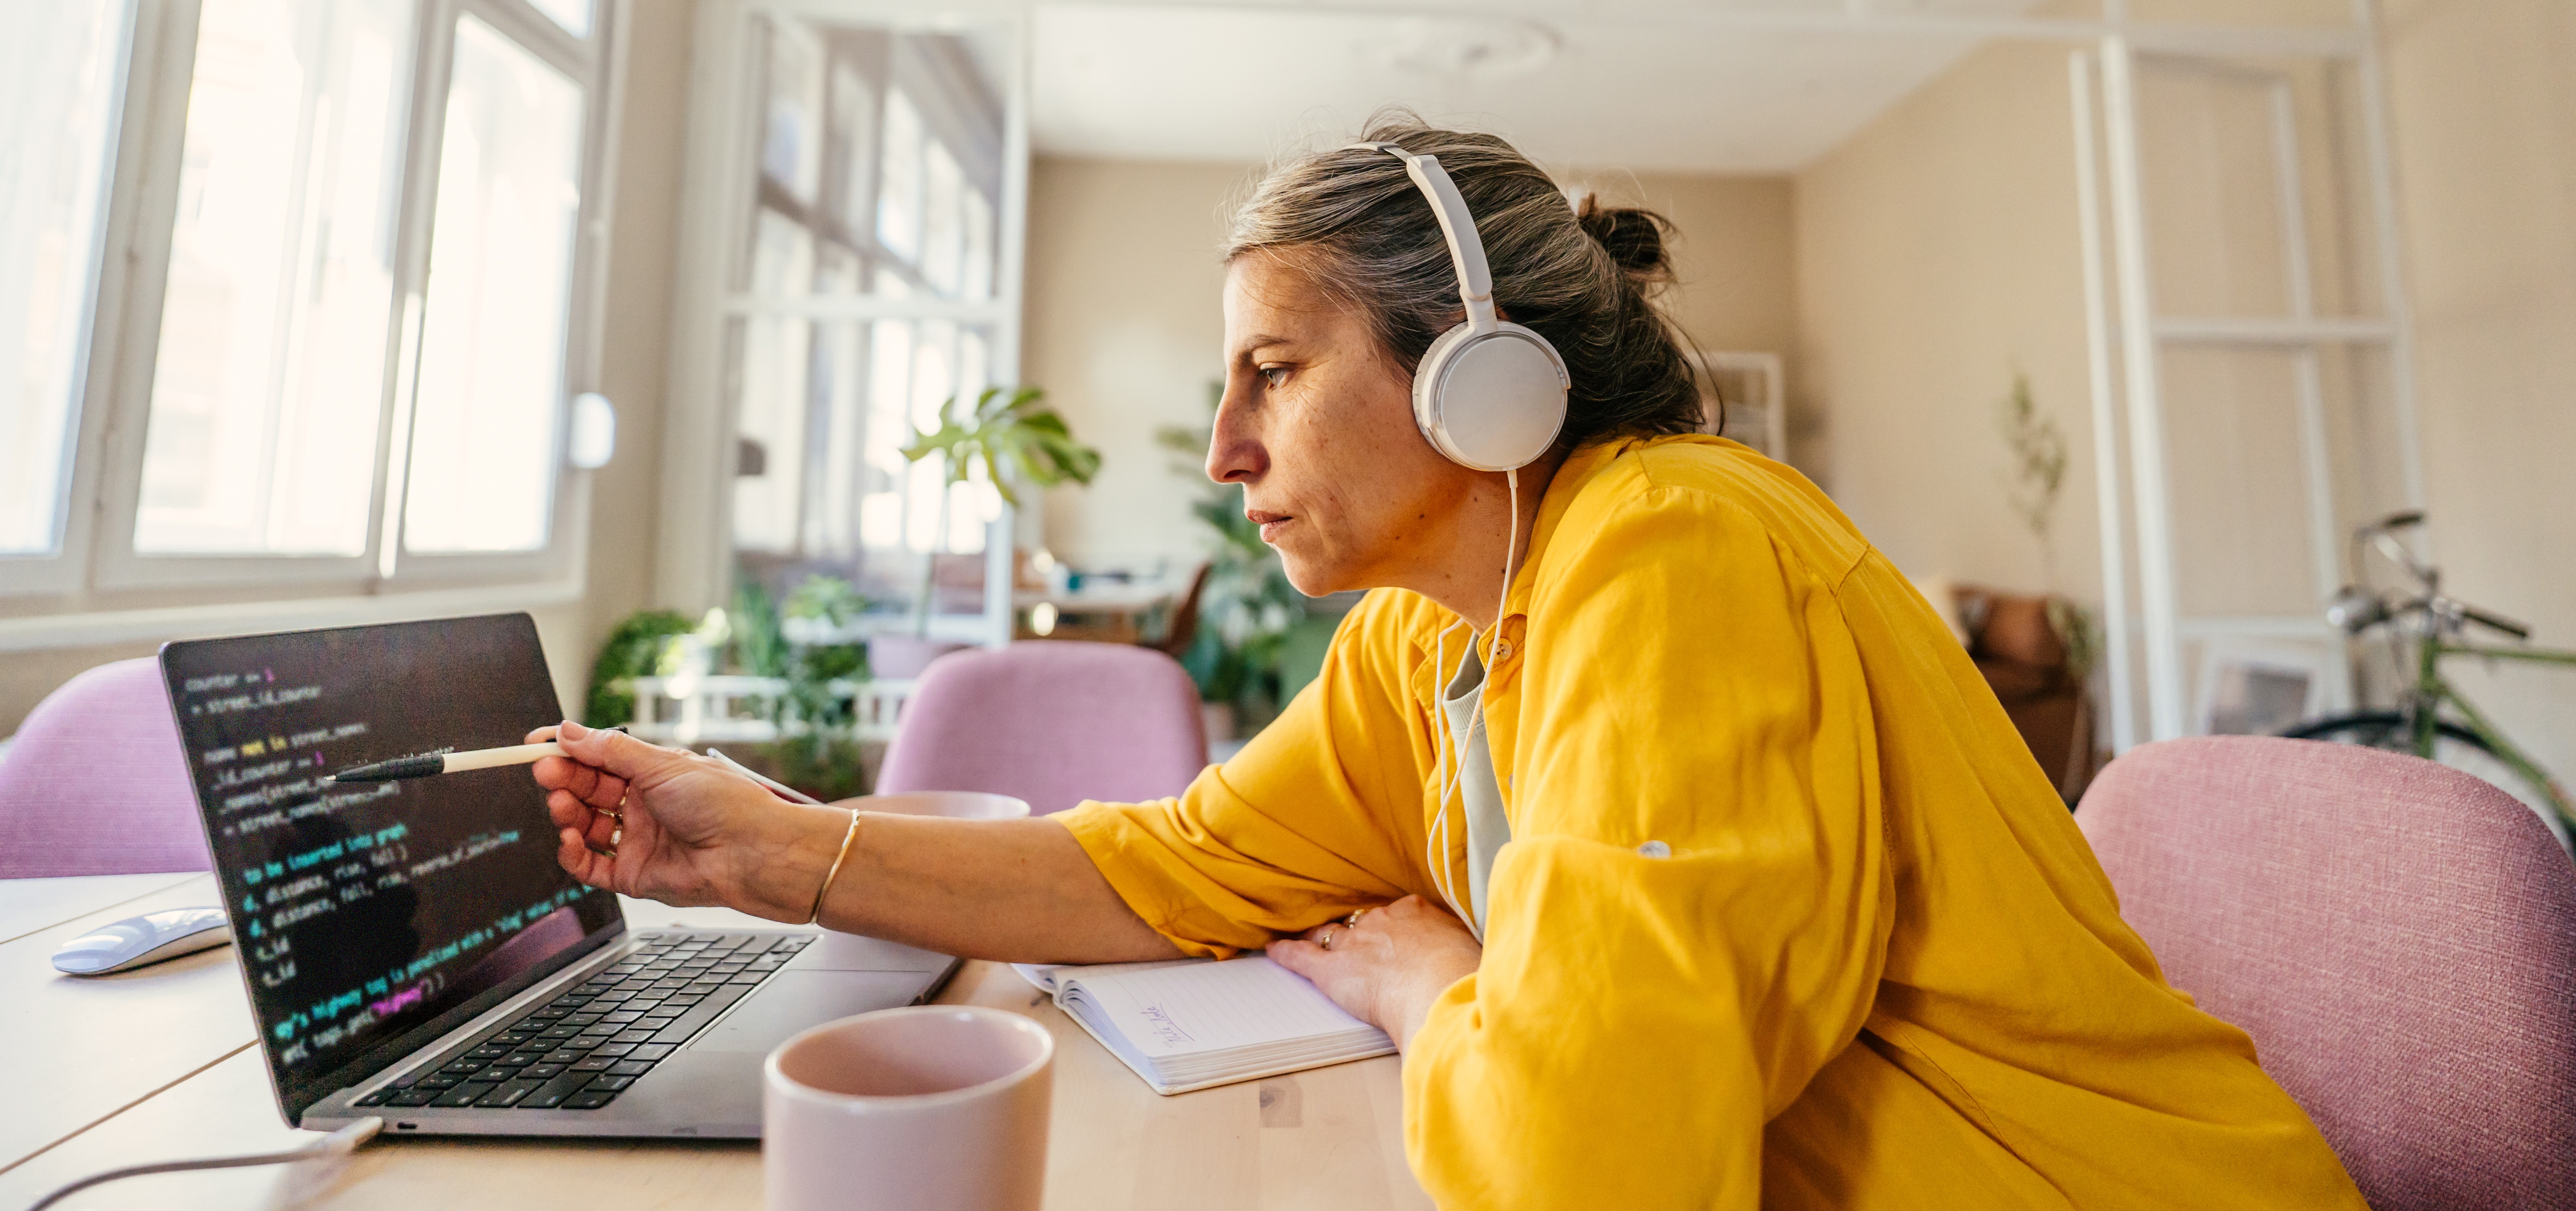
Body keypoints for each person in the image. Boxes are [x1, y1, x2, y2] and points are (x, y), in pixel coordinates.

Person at [530, 118, 2368, 1209]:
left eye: (1275, 370)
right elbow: (1171, 860)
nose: (1226, 450)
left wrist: (1432, 979)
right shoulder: (1432, 634)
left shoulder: (1678, 545)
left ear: (1479, 373)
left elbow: (1595, 1169)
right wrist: (773, 845)